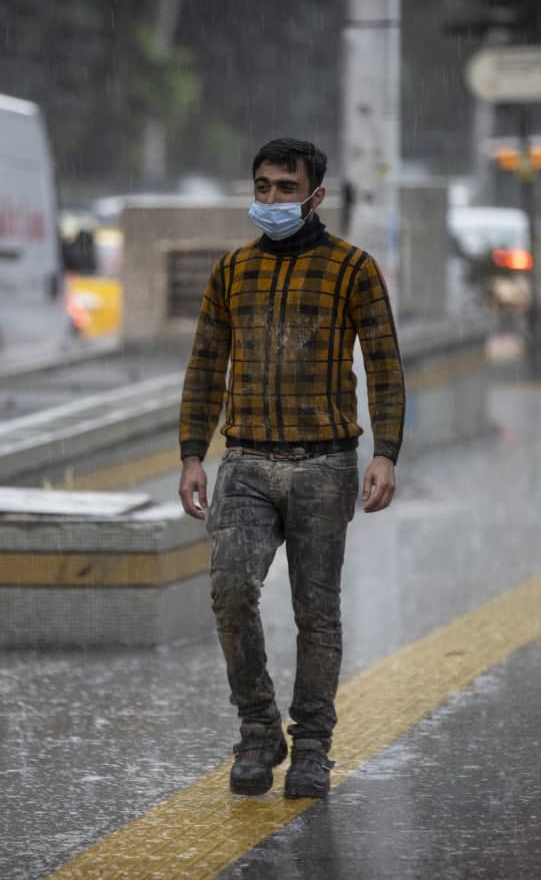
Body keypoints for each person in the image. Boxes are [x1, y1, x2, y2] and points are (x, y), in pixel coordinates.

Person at [178, 137, 406, 799]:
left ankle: (311, 745)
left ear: (315, 196)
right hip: (245, 460)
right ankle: (257, 729)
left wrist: (385, 452)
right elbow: (204, 369)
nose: (272, 199)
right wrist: (193, 453)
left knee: (318, 614)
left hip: (324, 464)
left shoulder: (352, 270)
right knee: (230, 593)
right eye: (262, 187)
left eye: (285, 187)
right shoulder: (231, 273)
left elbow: (386, 367)